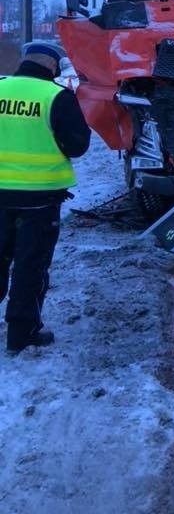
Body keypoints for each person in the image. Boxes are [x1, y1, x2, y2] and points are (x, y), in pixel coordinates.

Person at [0, 40, 90, 355]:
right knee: (30, 265)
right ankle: (21, 334)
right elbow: (77, 145)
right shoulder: (55, 96)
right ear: (52, 65)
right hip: (38, 200)